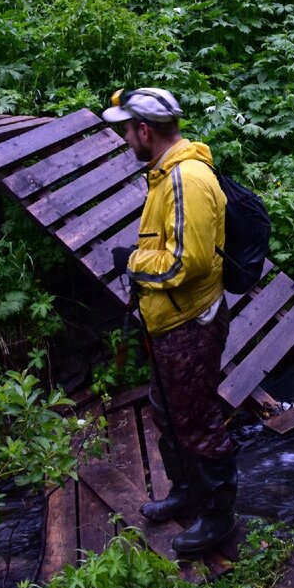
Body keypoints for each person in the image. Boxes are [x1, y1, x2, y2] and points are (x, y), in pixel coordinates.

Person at [101, 86, 237, 554]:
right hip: (168, 323)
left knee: (199, 420)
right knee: (169, 411)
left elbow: (187, 264)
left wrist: (133, 262)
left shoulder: (187, 180)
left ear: (144, 130)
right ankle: (186, 494)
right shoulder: (164, 174)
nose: (123, 137)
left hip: (191, 324)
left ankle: (219, 519)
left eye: (126, 128)